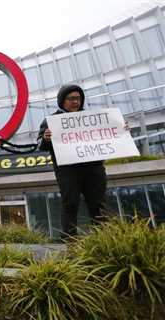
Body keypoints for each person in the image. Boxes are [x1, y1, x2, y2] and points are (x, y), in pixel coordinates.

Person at [37, 84, 107, 239]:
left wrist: (122, 129)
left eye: (78, 99)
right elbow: (40, 145)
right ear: (62, 101)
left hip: (93, 169)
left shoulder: (93, 119)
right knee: (70, 204)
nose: (76, 102)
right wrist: (45, 139)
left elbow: (109, 134)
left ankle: (104, 241)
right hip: (68, 171)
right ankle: (70, 241)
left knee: (98, 205)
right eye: (71, 99)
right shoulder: (51, 120)